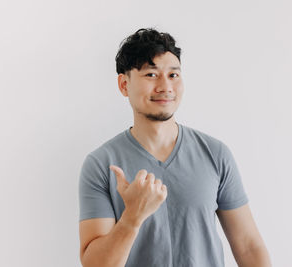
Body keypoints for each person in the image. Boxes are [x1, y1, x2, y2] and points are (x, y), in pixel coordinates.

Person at [78, 27, 271, 267]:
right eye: (151, 75)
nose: (165, 86)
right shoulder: (101, 164)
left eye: (173, 75)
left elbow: (248, 246)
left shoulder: (215, 153)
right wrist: (132, 218)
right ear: (124, 85)